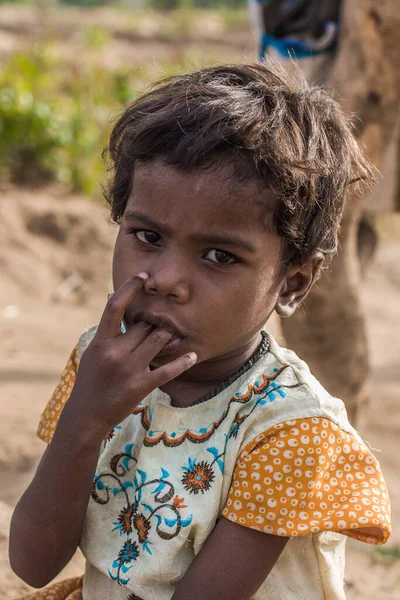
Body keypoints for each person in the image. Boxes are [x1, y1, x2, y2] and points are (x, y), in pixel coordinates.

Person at [10, 62, 391, 600]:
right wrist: (83, 420)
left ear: (293, 284)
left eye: (218, 256)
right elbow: (31, 561)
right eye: (146, 235)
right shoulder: (99, 364)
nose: (165, 280)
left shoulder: (290, 431)